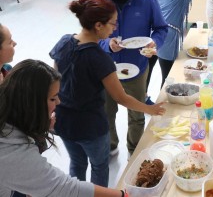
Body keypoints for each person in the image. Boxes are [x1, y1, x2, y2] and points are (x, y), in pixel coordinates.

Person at [49, 0, 165, 187]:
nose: (115, 28)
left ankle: (76, 192)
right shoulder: (99, 58)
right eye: (112, 23)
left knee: (76, 163)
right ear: (98, 25)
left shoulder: (64, 41)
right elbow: (121, 98)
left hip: (64, 121)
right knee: (99, 166)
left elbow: (54, 81)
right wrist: (149, 109)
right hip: (91, 127)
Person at [0, 59, 130, 197]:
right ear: (31, 104)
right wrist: (122, 194)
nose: (58, 102)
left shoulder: (10, 111)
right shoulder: (11, 152)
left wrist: (37, 128)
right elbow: (62, 188)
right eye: (52, 99)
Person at [96, 0, 168, 157]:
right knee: (107, 112)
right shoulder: (100, 0)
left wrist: (156, 43)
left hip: (136, 68)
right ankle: (110, 146)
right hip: (106, 69)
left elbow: (161, 29)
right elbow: (91, 35)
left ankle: (134, 150)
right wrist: (107, 44)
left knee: (137, 114)